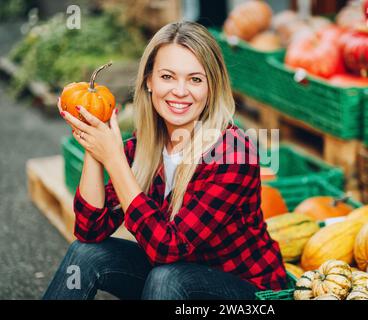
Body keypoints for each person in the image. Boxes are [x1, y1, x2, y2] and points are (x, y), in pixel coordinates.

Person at [42, 21, 287, 300]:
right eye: (168, 77)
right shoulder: (147, 145)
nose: (180, 91)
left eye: (195, 79)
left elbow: (167, 249)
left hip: (246, 294)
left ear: (211, 87)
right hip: (172, 281)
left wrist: (114, 159)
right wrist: (94, 145)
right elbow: (89, 229)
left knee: (168, 277)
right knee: (85, 254)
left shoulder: (232, 155)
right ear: (149, 81)